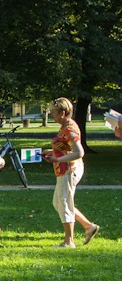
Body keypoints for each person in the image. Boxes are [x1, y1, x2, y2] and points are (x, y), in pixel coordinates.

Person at [43, 97, 100, 248]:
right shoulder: (65, 126)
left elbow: (79, 152)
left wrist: (56, 159)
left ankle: (69, 242)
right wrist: (52, 151)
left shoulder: (69, 128)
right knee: (59, 203)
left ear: (62, 113)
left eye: (54, 112)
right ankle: (89, 227)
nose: (52, 115)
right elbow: (66, 147)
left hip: (69, 170)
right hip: (63, 170)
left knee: (64, 203)